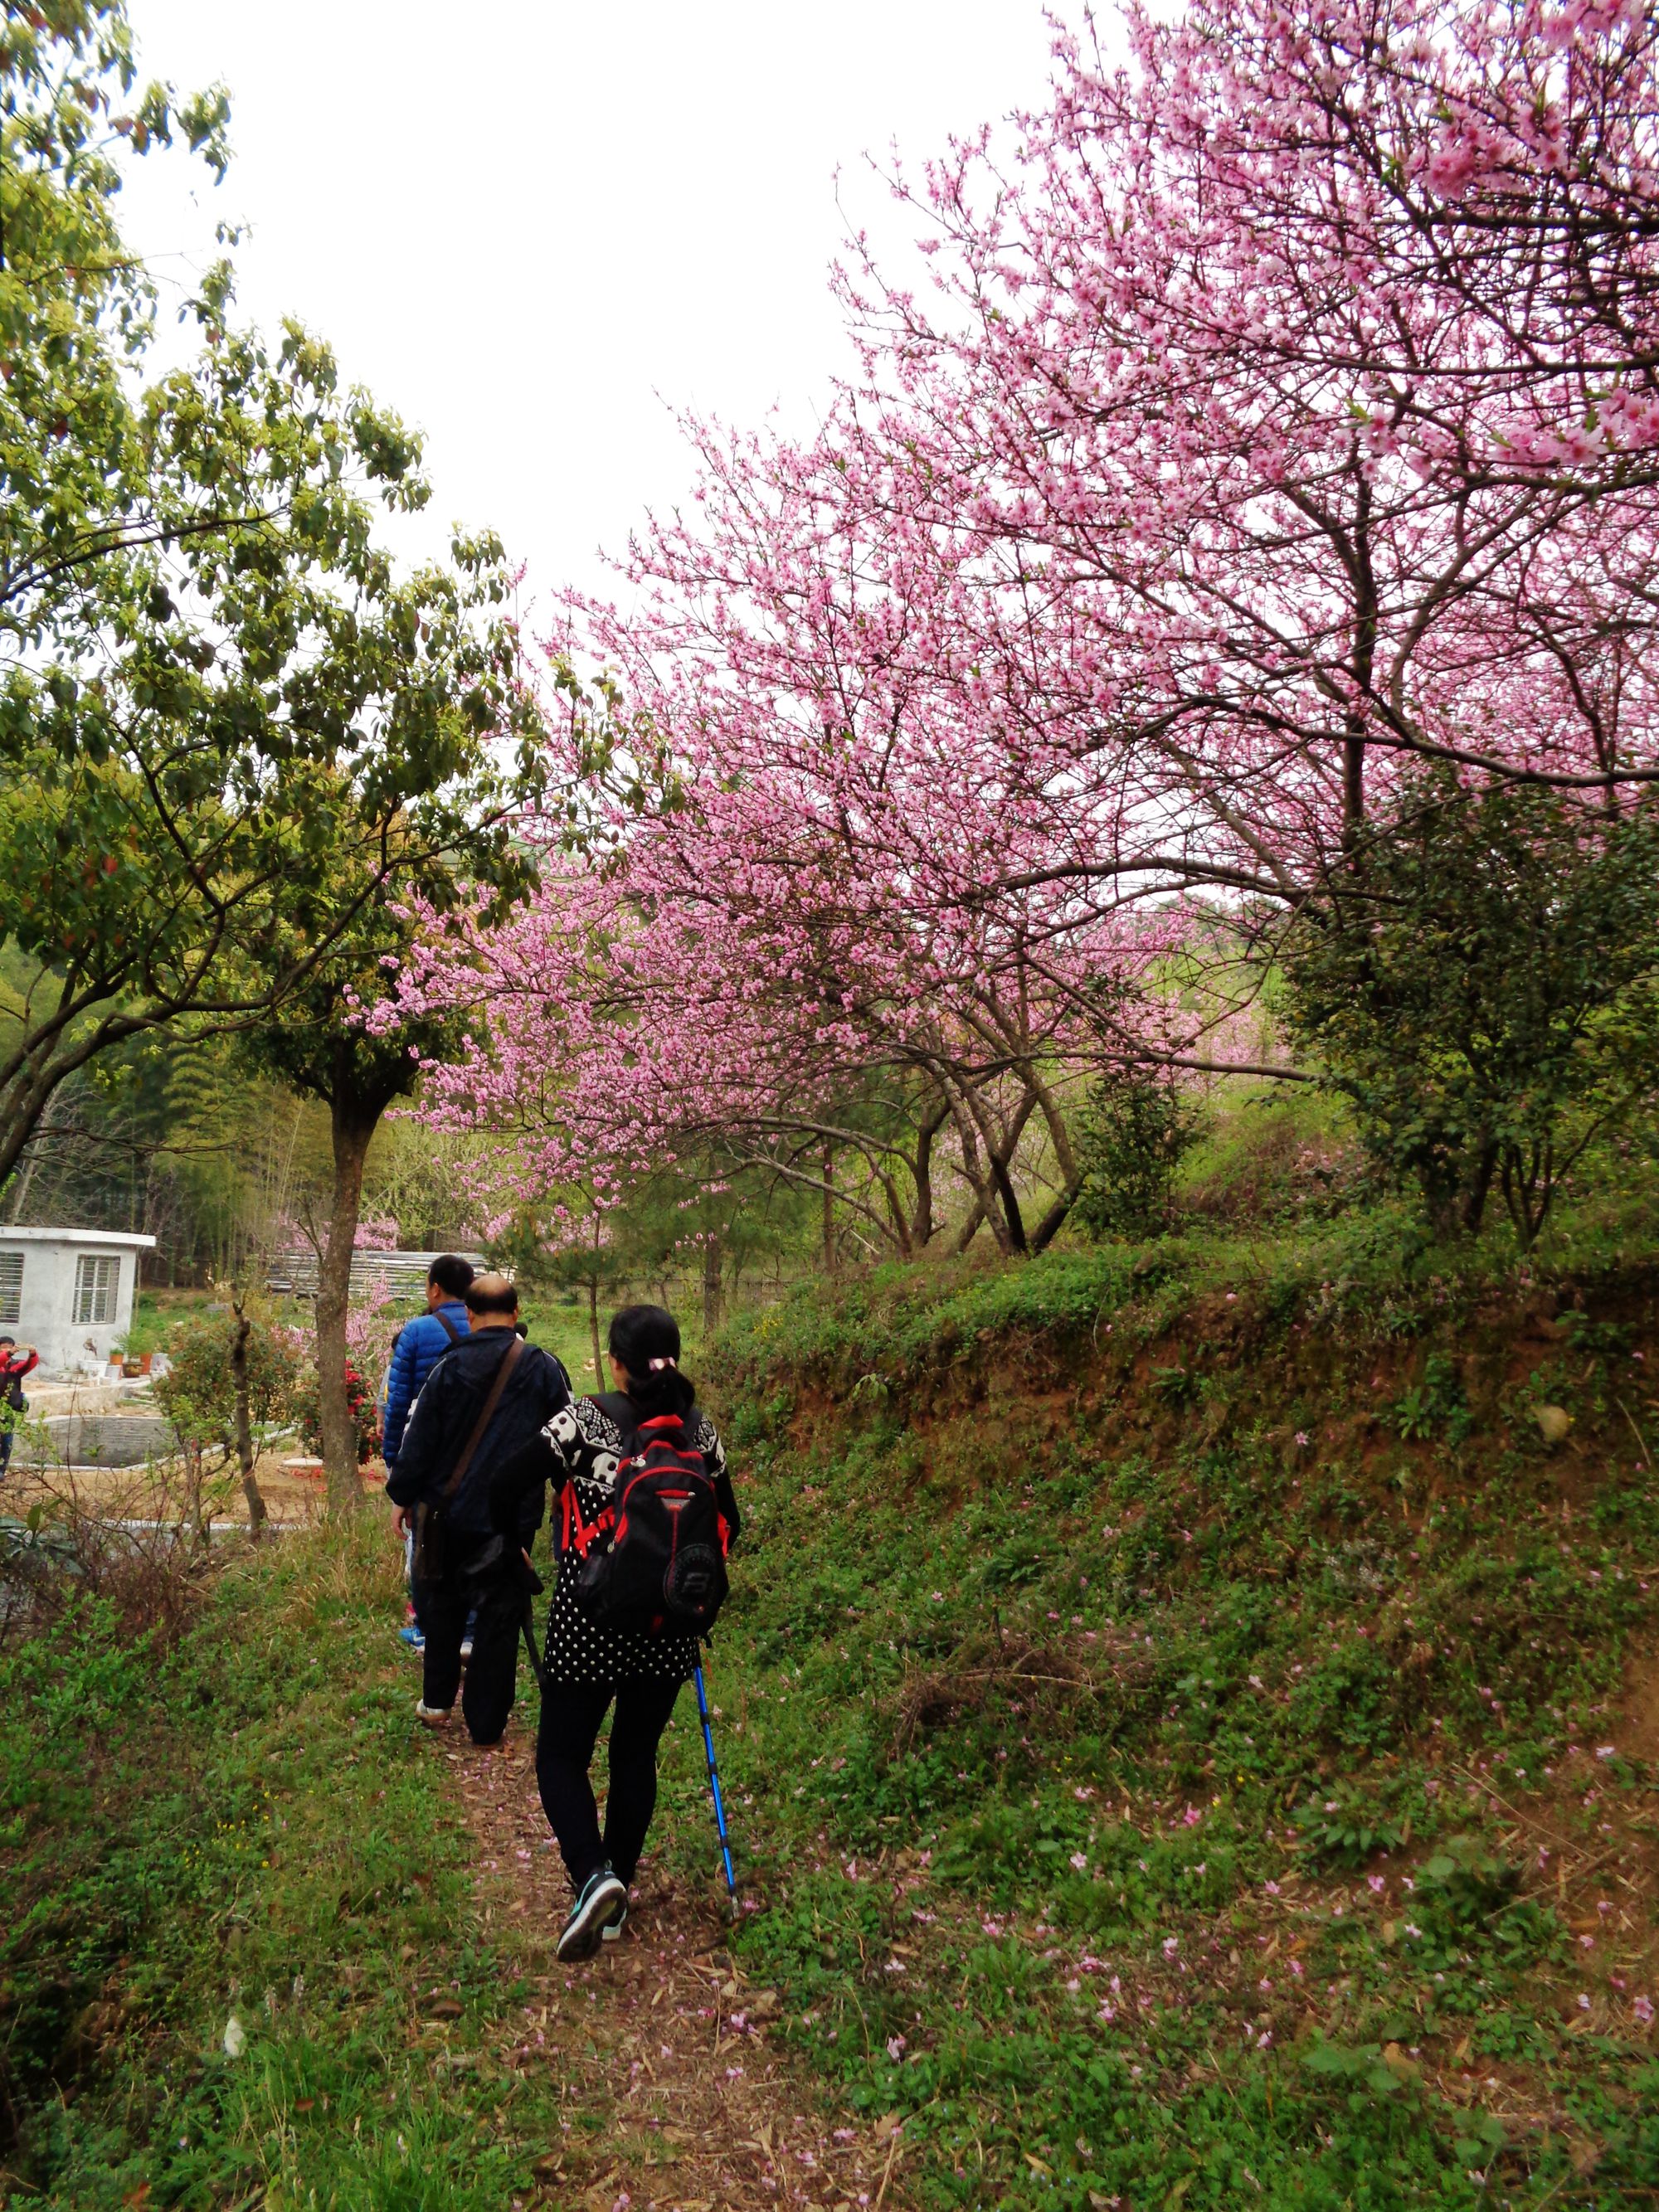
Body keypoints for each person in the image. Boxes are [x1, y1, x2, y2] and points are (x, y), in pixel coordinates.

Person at [489, 1303, 742, 1962]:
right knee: (635, 1756)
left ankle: (593, 1875)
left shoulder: (586, 1420)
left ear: (618, 1363)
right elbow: (730, 1525)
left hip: (588, 1618)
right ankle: (615, 1894)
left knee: (560, 1757)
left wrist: (518, 1545)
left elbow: (505, 1478)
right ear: (676, 1357)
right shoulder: (700, 1431)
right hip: (669, 1623)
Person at [386, 1273, 570, 1744]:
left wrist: (403, 1495)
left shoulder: (446, 1369)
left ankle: (438, 1703)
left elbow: (419, 1438)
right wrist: (561, 1490)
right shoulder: (544, 1367)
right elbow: (566, 1441)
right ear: (515, 1313)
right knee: (499, 1617)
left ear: (468, 1315)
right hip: (511, 1520)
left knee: (441, 1605)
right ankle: (487, 1724)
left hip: (448, 1514)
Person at [382, 1256, 475, 1650]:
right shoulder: (483, 1327)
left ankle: (429, 1629)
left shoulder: (416, 1332)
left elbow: (398, 1403)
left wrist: (395, 1462)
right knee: (472, 1542)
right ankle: (470, 1630)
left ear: (434, 1288)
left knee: (426, 1545)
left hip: (428, 1460)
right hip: (475, 1459)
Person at [0, 1336, 38, 1480]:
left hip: (7, 1408)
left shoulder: (15, 1366)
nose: (6, 1350)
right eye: (3, 1347)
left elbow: (30, 1364)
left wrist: (33, 1354)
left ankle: (2, 1470)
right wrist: (8, 1354)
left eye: (9, 1347)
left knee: (6, 1440)